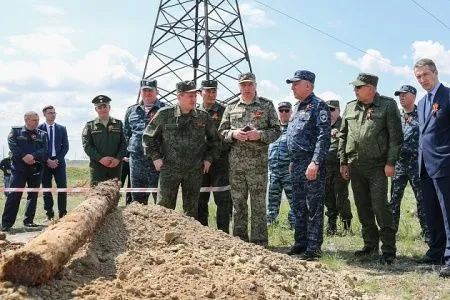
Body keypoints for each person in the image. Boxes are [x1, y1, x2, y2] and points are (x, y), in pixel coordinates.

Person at [339, 73, 403, 265]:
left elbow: (396, 138)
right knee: (362, 207)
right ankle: (370, 245)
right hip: (355, 164)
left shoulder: (388, 105)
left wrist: (391, 163)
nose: (355, 90)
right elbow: (343, 135)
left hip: (377, 166)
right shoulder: (350, 106)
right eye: (355, 87)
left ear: (371, 88)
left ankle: (389, 250)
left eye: (359, 87)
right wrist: (343, 162)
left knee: (380, 207)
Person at [219, 72, 280, 247]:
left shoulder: (266, 105)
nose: (246, 88)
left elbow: (277, 130)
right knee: (238, 204)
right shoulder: (231, 107)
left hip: (258, 166)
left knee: (259, 205)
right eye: (243, 85)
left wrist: (259, 135)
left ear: (255, 85)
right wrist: (234, 133)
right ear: (239, 86)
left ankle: (260, 243)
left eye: (250, 84)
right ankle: (240, 241)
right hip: (236, 165)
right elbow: (222, 132)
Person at [143, 80, 221, 218]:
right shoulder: (165, 114)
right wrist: (155, 158)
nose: (194, 99)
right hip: (169, 169)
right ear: (179, 97)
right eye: (189, 96)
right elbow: (148, 137)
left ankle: (188, 239)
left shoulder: (203, 117)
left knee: (191, 212)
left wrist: (209, 159)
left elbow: (215, 140)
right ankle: (164, 237)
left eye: (195, 96)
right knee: (164, 210)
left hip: (194, 170)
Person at [285, 70, 331, 260]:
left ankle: (313, 247)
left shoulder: (319, 106)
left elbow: (323, 137)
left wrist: (315, 162)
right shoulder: (296, 107)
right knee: (298, 206)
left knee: (313, 206)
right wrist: (291, 160)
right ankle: (301, 241)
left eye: (296, 83)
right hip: (296, 164)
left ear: (308, 85)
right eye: (292, 84)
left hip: (311, 164)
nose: (292, 87)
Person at [414, 58, 450, 278]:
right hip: (425, 166)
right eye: (418, 76)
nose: (422, 80)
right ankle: (436, 250)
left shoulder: (447, 96)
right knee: (432, 212)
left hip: (445, 163)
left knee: (448, 214)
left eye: (425, 75)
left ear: (435, 73)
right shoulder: (422, 103)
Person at [389, 85, 428, 240]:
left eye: (404, 94)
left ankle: (427, 233)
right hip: (399, 164)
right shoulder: (396, 116)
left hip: (417, 164)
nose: (401, 97)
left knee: (422, 199)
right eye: (399, 95)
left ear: (413, 95)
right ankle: (391, 232)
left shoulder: (423, 114)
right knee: (394, 199)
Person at [1, 112, 48, 231]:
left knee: (33, 195)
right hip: (19, 168)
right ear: (26, 120)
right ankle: (6, 224)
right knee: (14, 195)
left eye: (37, 120)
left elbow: (44, 150)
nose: (37, 122)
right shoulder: (16, 132)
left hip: (35, 167)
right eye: (34, 120)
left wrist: (32, 156)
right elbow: (12, 145)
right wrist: (23, 156)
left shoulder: (42, 134)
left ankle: (29, 221)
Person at [197, 79, 232, 233]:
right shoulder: (194, 112)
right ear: (200, 93)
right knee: (199, 200)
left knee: (223, 200)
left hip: (220, 162)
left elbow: (227, 137)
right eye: (208, 91)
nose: (211, 94)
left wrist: (213, 156)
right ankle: (202, 234)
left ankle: (223, 235)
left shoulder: (225, 111)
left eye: (214, 91)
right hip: (199, 163)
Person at [124, 79, 165, 204]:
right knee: (138, 199)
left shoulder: (165, 110)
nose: (147, 93)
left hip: (158, 160)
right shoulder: (132, 111)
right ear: (140, 92)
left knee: (161, 200)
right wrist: (132, 150)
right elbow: (127, 133)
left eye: (150, 90)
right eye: (144, 90)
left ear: (156, 91)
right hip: (137, 162)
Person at [82, 95, 127, 185]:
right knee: (97, 195)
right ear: (96, 109)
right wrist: (100, 159)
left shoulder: (118, 124)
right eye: (99, 107)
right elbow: (87, 146)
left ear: (109, 107)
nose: (103, 109)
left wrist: (118, 159)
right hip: (98, 168)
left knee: (114, 196)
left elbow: (124, 143)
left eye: (105, 106)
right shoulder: (90, 125)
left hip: (115, 167)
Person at [324, 100, 352, 236]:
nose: (330, 113)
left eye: (332, 110)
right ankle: (332, 225)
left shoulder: (344, 124)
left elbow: (350, 141)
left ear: (339, 110)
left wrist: (338, 133)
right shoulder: (322, 125)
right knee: (328, 196)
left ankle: (347, 225)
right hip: (325, 167)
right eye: (327, 110)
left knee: (341, 196)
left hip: (339, 166)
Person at [266, 101, 295, 229]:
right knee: (272, 200)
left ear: (291, 111)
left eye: (286, 110)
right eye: (281, 110)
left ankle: (294, 223)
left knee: (294, 200)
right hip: (274, 171)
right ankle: (270, 223)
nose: (284, 113)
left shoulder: (295, 127)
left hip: (289, 171)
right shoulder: (273, 129)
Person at [38, 105, 69, 221]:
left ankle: (63, 214)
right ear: (45, 115)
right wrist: (47, 160)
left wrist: (57, 160)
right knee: (46, 189)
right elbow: (38, 147)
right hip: (44, 163)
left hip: (59, 162)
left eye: (54, 112)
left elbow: (65, 146)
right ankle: (49, 214)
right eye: (50, 113)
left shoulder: (62, 128)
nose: (53, 114)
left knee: (62, 188)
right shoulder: (39, 129)